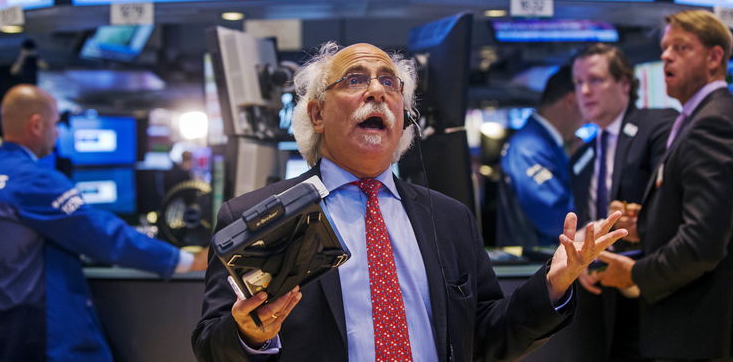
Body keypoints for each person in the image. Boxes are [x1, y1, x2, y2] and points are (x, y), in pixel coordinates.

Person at [192, 42, 627, 362]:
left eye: (389, 82)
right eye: (355, 80)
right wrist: (251, 335)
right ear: (317, 114)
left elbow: (486, 337)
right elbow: (211, 345)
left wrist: (552, 284)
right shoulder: (258, 216)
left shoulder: (450, 218)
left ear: (404, 117)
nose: (377, 91)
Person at [0, 84, 207, 362]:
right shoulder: (35, 180)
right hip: (37, 332)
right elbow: (101, 234)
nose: (58, 132)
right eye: (55, 124)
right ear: (37, 124)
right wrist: (182, 261)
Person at [599, 10, 733, 361]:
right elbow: (704, 215)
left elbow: (703, 243)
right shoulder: (708, 118)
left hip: (704, 334)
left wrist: (634, 273)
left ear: (715, 57)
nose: (666, 56)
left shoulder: (713, 125)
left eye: (681, 47)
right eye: (665, 47)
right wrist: (645, 224)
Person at [555, 44, 677, 362]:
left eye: (595, 80)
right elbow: (587, 219)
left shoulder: (658, 126)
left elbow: (672, 201)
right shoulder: (581, 157)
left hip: (654, 288)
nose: (584, 91)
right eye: (578, 82)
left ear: (624, 83)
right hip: (604, 295)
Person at [498, 65, 583, 246]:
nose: (590, 116)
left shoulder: (551, 145)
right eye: (587, 102)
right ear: (571, 101)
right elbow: (555, 219)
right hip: (537, 264)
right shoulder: (528, 147)